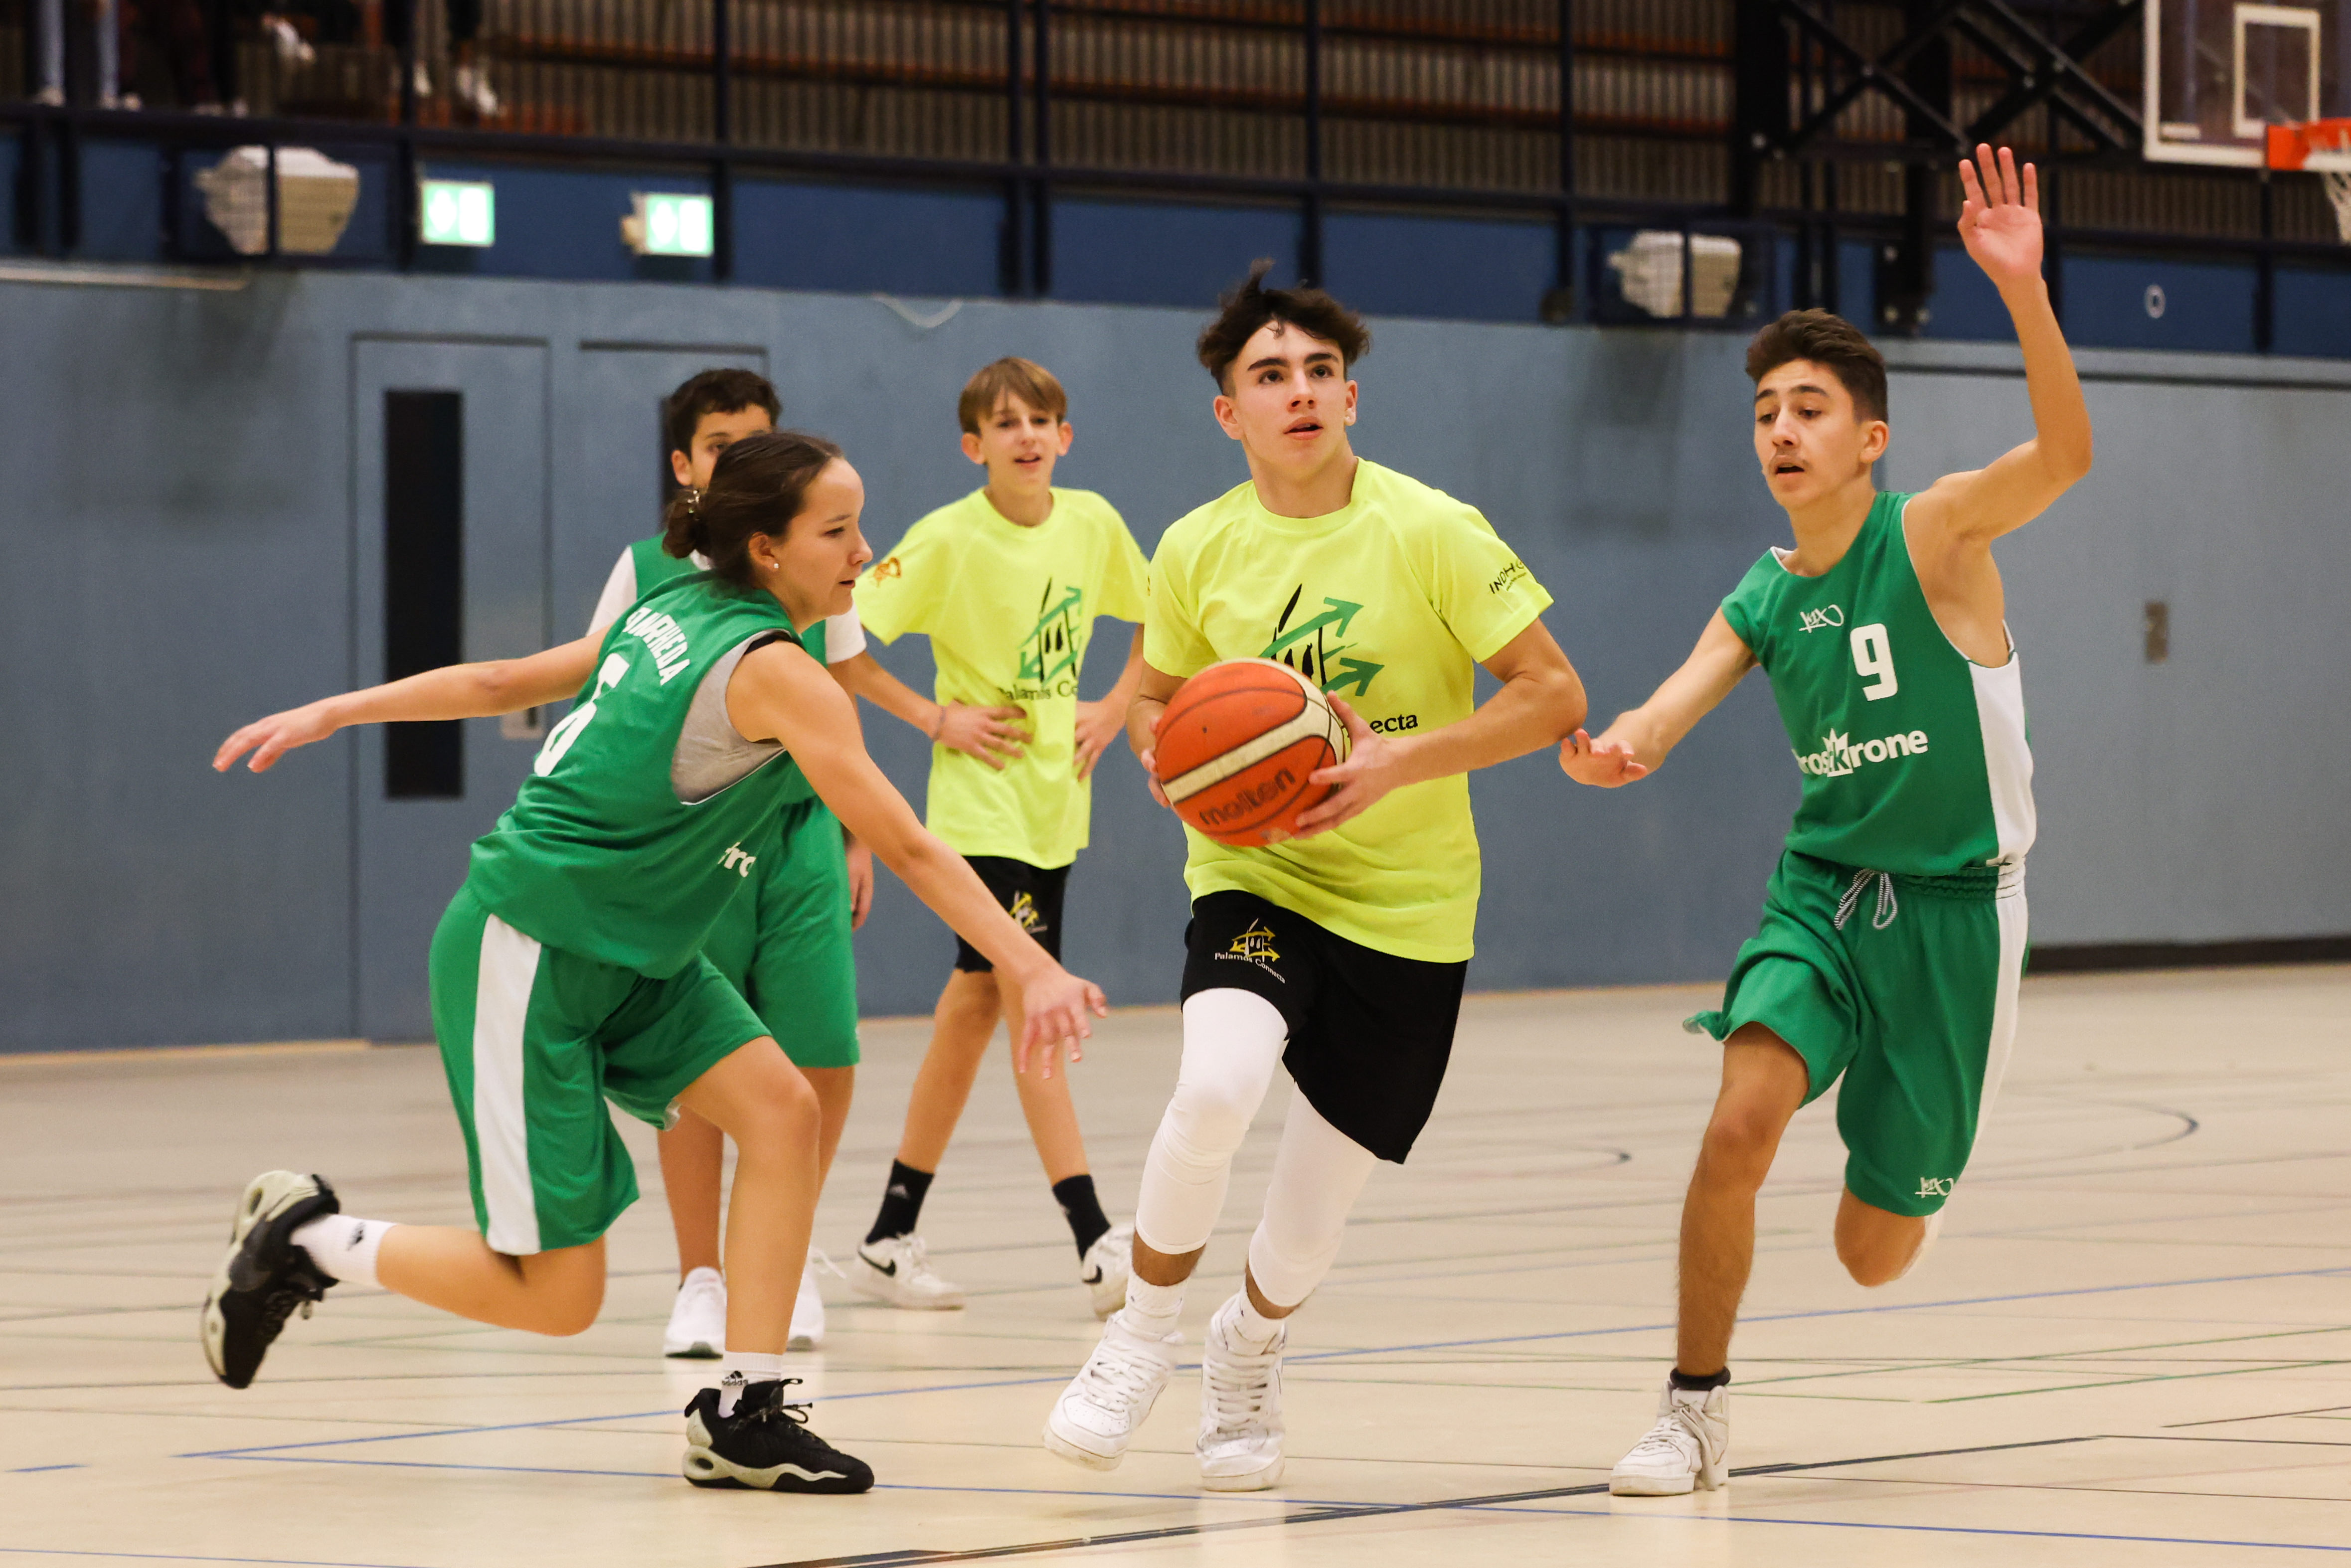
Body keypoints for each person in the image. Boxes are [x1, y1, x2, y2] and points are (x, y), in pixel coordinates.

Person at [203, 431, 1107, 1494]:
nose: (864, 551)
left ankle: (743, 1413)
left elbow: (503, 680)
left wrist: (340, 708)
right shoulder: (779, 673)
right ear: (768, 549)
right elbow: (907, 843)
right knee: (559, 1297)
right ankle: (311, 1239)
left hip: (640, 956)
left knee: (783, 1112)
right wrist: (1028, 964)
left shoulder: (670, 606)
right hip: (532, 948)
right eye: (838, 531)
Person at [1559, 146, 2090, 1496]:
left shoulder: (1937, 536)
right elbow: (1674, 701)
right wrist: (1620, 746)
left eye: (1808, 408)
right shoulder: (1765, 592)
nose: (1780, 431)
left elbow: (2066, 455)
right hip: (1825, 895)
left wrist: (2022, 290)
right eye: (1763, 413)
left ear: (1871, 439)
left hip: (1957, 917)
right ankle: (1692, 1410)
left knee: (1871, 1253)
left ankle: (1916, 1174)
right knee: (1737, 1123)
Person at [1043, 266, 1588, 1491]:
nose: (1299, 392)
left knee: (1310, 1216)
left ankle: (1248, 1346)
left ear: (1351, 397)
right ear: (1228, 412)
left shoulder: (1434, 530)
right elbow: (1159, 699)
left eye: (1320, 372)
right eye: (1270, 375)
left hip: (1409, 904)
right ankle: (1138, 1337)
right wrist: (1163, 753)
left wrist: (1399, 760)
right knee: (1214, 1088)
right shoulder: (1195, 546)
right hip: (1259, 874)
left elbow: (1554, 694)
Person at [827, 356, 1151, 1318]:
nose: (1026, 435)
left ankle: (889, 1234)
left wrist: (1115, 705)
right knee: (1027, 996)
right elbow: (838, 637)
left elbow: (1159, 619)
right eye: (1005, 423)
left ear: (1065, 435)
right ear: (975, 446)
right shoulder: (946, 538)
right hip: (980, 810)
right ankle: (1094, 1238)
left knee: (972, 1006)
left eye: (1041, 419)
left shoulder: (1094, 523)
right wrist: (934, 716)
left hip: (1056, 804)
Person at [586, 369, 871, 1359]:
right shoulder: (648, 572)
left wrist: (857, 835)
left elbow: (841, 693)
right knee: (697, 1066)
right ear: (685, 464)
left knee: (823, 1051)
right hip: (695, 837)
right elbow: (600, 697)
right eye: (721, 444)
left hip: (798, 829)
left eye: (759, 440)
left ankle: (778, 1257)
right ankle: (700, 1275)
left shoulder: (818, 558)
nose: (742, 456)